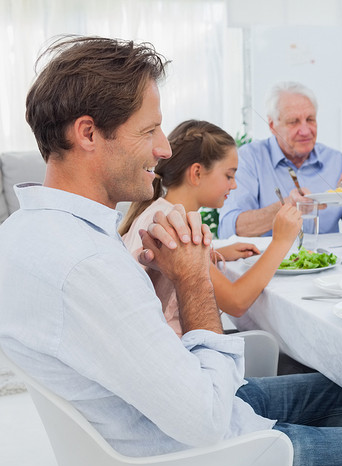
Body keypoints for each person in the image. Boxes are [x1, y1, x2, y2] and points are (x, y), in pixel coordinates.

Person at [0, 35, 342, 466]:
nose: (164, 148)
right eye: (150, 130)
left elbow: (126, 346)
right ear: (88, 132)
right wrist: (191, 282)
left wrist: (157, 283)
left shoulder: (30, 233)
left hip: (154, 428)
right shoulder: (86, 263)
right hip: (202, 464)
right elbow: (206, 418)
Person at [119, 119, 302, 337]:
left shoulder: (156, 210)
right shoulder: (177, 226)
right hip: (183, 354)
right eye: (229, 175)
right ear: (196, 173)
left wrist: (211, 255)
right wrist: (281, 241)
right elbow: (237, 301)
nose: (233, 185)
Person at [218, 81, 342, 238]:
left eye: (310, 119)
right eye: (293, 122)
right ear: (272, 125)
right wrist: (287, 207)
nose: (305, 130)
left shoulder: (336, 161)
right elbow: (228, 229)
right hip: (269, 261)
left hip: (327, 262)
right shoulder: (249, 159)